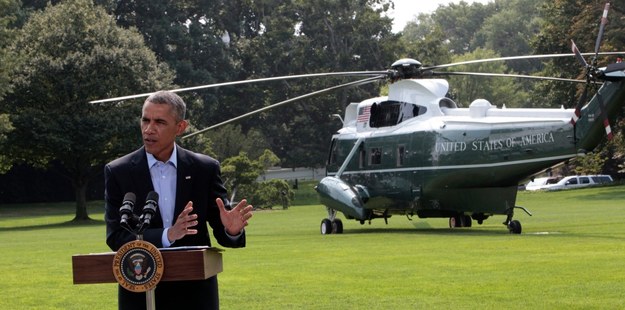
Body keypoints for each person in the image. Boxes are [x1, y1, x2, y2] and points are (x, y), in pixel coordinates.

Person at [104, 90, 253, 309]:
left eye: (160, 122)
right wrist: (167, 235)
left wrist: (231, 230)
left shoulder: (205, 168)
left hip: (194, 292)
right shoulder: (119, 171)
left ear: (180, 127)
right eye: (145, 120)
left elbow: (222, 234)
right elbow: (116, 236)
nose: (149, 129)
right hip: (139, 290)